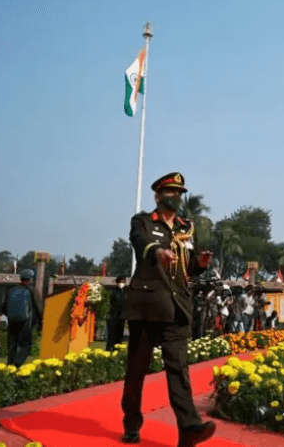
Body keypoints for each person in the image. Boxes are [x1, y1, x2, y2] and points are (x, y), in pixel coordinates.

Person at [121, 172, 216, 446]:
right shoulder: (142, 221)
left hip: (177, 308)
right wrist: (156, 252)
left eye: (179, 192)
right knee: (136, 371)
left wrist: (199, 263)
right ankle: (131, 423)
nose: (176, 196)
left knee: (179, 371)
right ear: (158, 195)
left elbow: (185, 267)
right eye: (171, 192)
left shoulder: (186, 227)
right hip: (147, 306)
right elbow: (141, 244)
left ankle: (189, 429)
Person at [1, 269, 43, 367]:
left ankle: (9, 365)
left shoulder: (11, 290)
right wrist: (41, 322)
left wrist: (12, 316)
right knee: (25, 346)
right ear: (30, 279)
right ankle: (16, 365)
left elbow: (3, 308)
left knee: (12, 346)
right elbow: (39, 308)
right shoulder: (31, 290)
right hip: (26, 323)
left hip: (12, 322)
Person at [106, 276, 128, 351]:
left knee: (120, 331)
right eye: (120, 281)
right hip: (113, 315)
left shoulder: (127, 291)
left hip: (122, 315)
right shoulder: (113, 291)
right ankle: (110, 346)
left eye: (123, 281)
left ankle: (118, 347)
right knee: (112, 331)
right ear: (117, 282)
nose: (122, 283)